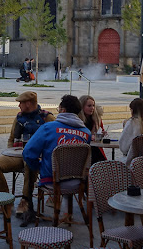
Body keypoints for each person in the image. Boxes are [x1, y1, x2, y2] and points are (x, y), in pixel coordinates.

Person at [22, 94, 91, 224]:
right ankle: (68, 214)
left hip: (52, 181)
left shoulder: (48, 128)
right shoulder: (86, 133)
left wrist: (38, 166)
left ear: (63, 110)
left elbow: (28, 152)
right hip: (78, 183)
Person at [0, 91, 55, 218]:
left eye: (20, 103)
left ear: (28, 103)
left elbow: (53, 139)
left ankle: (25, 200)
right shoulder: (19, 117)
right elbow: (11, 139)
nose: (18, 106)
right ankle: (6, 200)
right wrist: (11, 152)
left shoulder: (46, 117)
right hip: (17, 155)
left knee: (29, 162)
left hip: (37, 157)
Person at [78, 95, 106, 163]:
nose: (92, 108)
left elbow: (100, 132)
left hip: (96, 149)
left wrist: (102, 134)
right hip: (82, 149)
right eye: (89, 106)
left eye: (93, 105)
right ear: (82, 106)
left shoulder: (97, 119)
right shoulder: (77, 121)